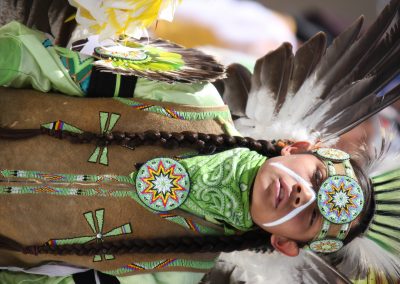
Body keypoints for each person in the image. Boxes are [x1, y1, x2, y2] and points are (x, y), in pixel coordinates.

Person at [0, 1, 399, 283]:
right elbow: (57, 67)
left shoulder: (179, 272)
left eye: (310, 217)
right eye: (313, 178)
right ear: (295, 148)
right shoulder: (194, 98)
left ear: (285, 244)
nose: (301, 195)